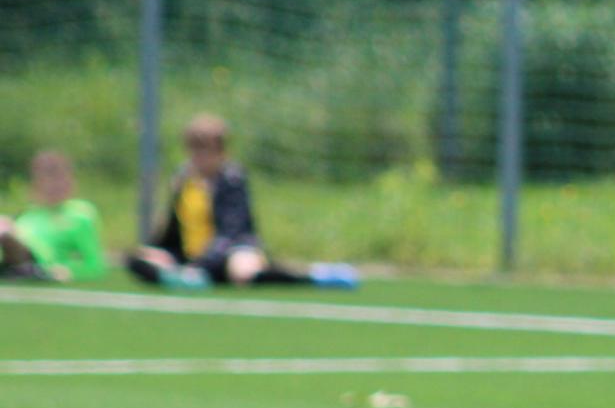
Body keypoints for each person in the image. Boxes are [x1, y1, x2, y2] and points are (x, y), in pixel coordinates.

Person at [127, 113, 358, 290]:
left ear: (221, 152)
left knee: (242, 273)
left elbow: (231, 232)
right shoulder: (183, 181)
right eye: (193, 150)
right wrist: (162, 251)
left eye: (205, 151)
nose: (198, 158)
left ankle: (315, 277)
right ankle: (185, 279)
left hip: (230, 252)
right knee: (140, 258)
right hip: (191, 257)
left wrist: (201, 264)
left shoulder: (232, 180)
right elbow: (171, 232)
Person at [4, 151, 107, 282]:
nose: (54, 185)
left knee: (5, 230)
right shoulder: (28, 216)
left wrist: (68, 270)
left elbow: (94, 264)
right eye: (47, 178)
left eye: (59, 177)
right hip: (11, 261)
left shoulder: (80, 214)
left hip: (37, 263)